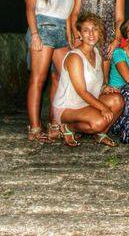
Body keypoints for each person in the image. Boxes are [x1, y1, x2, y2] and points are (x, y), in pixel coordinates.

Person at [25, 0, 74, 142]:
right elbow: (30, 8)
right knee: (38, 79)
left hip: (61, 33)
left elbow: (68, 14)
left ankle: (55, 122)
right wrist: (34, 35)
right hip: (43, 29)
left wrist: (70, 37)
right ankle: (35, 128)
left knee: (65, 77)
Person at [52, 13, 124, 147]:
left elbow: (99, 81)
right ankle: (68, 128)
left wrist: (105, 87)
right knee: (99, 122)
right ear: (79, 34)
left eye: (95, 29)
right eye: (86, 30)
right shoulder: (75, 57)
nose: (91, 34)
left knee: (118, 100)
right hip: (68, 106)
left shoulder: (96, 52)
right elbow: (81, 91)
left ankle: (100, 134)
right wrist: (103, 108)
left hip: (87, 101)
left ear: (99, 32)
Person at [69, 0, 124, 79]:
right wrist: (76, 36)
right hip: (84, 39)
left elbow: (120, 19)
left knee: (103, 81)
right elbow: (74, 13)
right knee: (82, 78)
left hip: (106, 42)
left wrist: (116, 40)